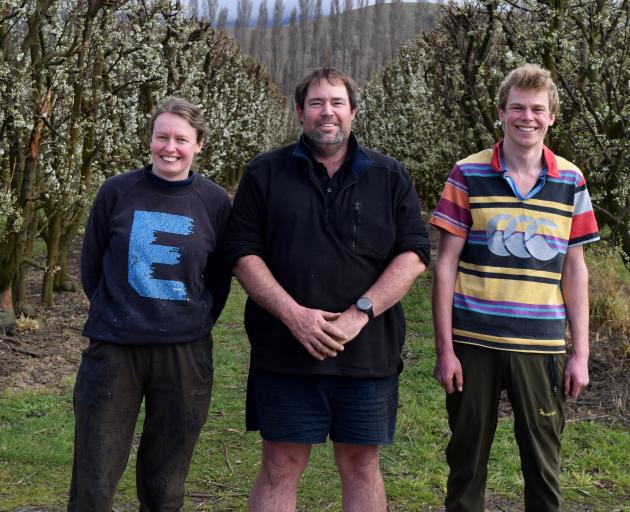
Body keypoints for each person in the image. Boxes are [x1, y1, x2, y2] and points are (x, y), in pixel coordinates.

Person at [223, 66, 430, 511]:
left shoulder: (390, 176)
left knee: (361, 464)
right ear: (300, 112)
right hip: (284, 348)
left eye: (337, 103)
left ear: (353, 112)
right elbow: (241, 252)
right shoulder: (265, 172)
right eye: (316, 103)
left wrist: (358, 316)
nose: (327, 112)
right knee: (280, 463)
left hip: (368, 351)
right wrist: (294, 315)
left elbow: (413, 255)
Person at [430, 63, 600, 512]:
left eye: (537, 109)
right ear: (502, 113)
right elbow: (445, 265)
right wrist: (444, 349)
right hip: (473, 344)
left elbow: (574, 270)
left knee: (543, 469)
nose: (528, 117)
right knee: (465, 465)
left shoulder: (571, 180)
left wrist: (579, 353)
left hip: (541, 348)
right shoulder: (467, 173)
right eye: (518, 108)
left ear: (552, 116)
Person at [68, 97, 231, 511]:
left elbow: (217, 278)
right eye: (162, 137)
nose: (170, 147)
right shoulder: (116, 191)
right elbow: (93, 266)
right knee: (95, 477)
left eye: (181, 139)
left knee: (166, 481)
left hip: (184, 354)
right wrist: (119, 313)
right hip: (114, 349)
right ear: (150, 139)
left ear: (199, 145)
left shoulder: (214, 202)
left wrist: (187, 321)